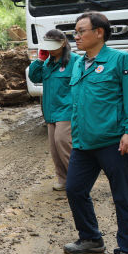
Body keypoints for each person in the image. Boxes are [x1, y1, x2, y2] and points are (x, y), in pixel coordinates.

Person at [62, 11, 128, 254]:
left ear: (99, 32)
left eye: (80, 31)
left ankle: (126, 252)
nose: (75, 36)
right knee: (74, 189)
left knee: (124, 197)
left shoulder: (121, 60)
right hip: (84, 144)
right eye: (75, 32)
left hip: (114, 143)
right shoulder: (78, 64)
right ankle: (90, 238)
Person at [28, 29, 80, 191]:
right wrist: (39, 60)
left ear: (63, 43)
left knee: (64, 143)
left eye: (53, 46)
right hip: (50, 111)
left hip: (67, 110)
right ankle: (63, 180)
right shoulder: (48, 62)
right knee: (55, 148)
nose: (50, 49)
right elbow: (34, 77)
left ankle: (78, 181)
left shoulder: (76, 61)